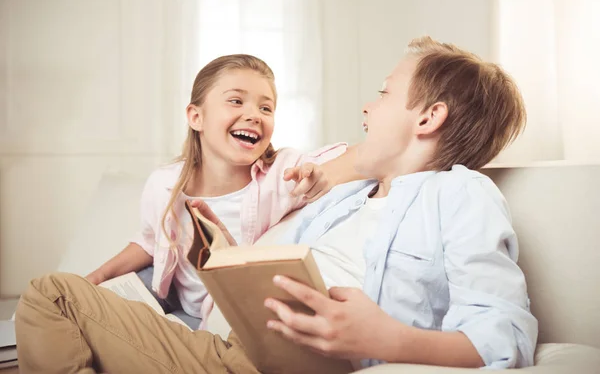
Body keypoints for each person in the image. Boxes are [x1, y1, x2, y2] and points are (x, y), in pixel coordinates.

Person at [15, 36, 537, 373]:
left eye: (383, 93)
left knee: (47, 299)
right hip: (229, 348)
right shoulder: (348, 198)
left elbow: (505, 334)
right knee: (52, 295)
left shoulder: (460, 193)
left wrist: (390, 340)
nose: (365, 105)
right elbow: (345, 166)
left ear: (428, 118)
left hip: (278, 364)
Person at [81, 53, 360, 329]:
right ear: (196, 117)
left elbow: (358, 158)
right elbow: (150, 242)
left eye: (266, 108)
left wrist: (322, 173)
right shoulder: (163, 183)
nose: (254, 115)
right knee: (68, 301)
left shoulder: (283, 173)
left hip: (218, 315)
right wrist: (99, 275)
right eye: (236, 101)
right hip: (169, 293)